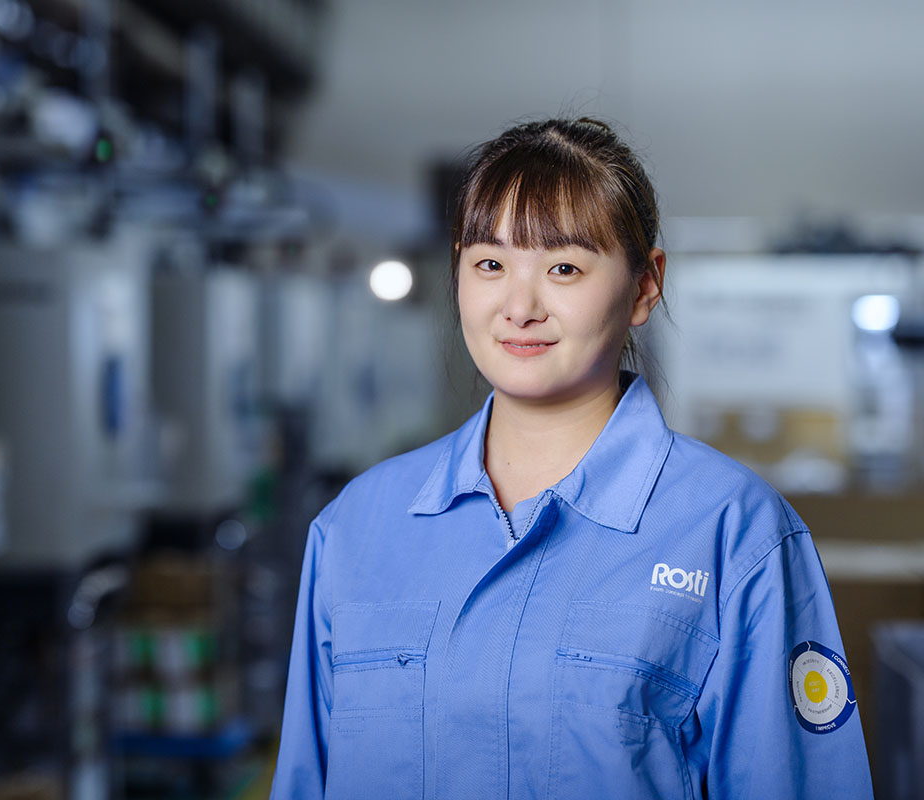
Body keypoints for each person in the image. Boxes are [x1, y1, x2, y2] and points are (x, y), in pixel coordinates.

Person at [270, 117, 874, 799]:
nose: (519, 307)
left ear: (645, 286)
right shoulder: (356, 527)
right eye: (490, 264)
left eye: (564, 268)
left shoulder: (735, 535)